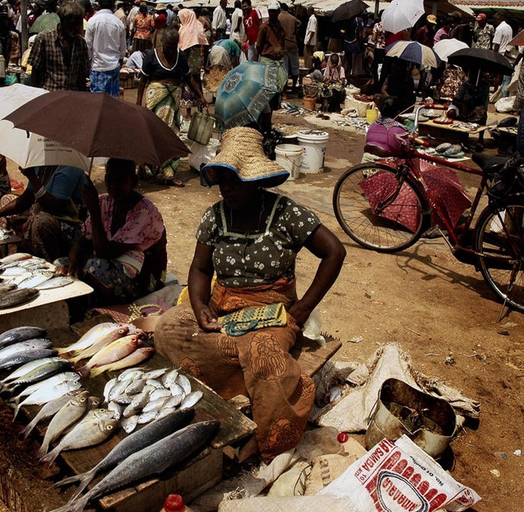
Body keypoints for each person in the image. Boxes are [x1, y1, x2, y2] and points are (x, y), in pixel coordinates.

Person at [154, 127, 345, 463]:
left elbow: (335, 252)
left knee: (264, 355)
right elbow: (200, 270)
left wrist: (301, 311)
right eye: (222, 178)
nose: (226, 187)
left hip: (272, 311)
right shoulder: (214, 217)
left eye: (235, 179)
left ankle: (264, 432)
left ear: (256, 181)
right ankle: (243, 384)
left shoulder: (287, 213)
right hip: (222, 305)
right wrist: (199, 305)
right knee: (167, 328)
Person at [56, 159, 168, 303]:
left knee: (95, 269)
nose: (113, 185)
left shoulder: (144, 211)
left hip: (143, 277)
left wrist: (94, 211)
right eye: (109, 179)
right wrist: (71, 263)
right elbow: (83, 240)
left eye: (120, 180)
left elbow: (106, 252)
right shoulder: (104, 202)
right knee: (60, 264)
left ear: (133, 182)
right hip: (112, 265)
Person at [137, 29, 206, 187]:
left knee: (172, 134)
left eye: (174, 46)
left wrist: (200, 95)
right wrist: (138, 103)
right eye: (168, 46)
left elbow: (188, 77)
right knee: (153, 134)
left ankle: (167, 173)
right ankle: (147, 169)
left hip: (173, 101)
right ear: (163, 43)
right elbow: (142, 81)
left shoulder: (180, 56)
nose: (171, 50)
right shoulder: (152, 56)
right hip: (156, 99)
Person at [0, 165, 87, 261]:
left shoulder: (69, 168)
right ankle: (13, 254)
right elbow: (28, 197)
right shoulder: (42, 164)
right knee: (6, 199)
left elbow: (53, 207)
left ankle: (45, 262)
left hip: (68, 223)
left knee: (40, 222)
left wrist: (32, 177)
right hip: (40, 210)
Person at [29, 1, 89, 91]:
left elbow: (82, 77)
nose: (77, 28)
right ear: (63, 21)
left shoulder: (81, 43)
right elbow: (35, 74)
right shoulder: (43, 39)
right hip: (49, 95)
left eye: (79, 23)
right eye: (73, 24)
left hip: (72, 97)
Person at [255, 1, 287, 130]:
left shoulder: (280, 27)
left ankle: (268, 120)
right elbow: (258, 46)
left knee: (275, 93)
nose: (272, 14)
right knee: (265, 93)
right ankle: (263, 122)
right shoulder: (264, 27)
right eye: (270, 12)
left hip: (277, 62)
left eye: (274, 12)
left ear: (278, 12)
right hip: (266, 61)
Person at [86, 0, 126, 97]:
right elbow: (122, 48)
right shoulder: (118, 23)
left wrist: (89, 60)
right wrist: (120, 60)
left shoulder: (92, 21)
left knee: (96, 102)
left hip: (97, 67)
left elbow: (87, 45)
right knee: (112, 102)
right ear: (113, 6)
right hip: (113, 66)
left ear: (99, 6)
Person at [177, 9, 208, 118]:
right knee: (197, 83)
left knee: (188, 84)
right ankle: (200, 109)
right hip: (198, 60)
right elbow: (205, 44)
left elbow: (184, 48)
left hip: (188, 61)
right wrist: (204, 63)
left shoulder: (185, 29)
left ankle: (188, 112)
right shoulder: (198, 25)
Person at [278, 4, 300, 92]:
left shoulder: (278, 18)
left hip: (283, 46)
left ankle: (284, 88)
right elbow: (297, 29)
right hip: (293, 45)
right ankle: (294, 86)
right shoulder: (293, 18)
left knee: (285, 68)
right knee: (295, 67)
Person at [492, 13, 513, 97]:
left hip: (500, 53)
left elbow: (496, 44)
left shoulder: (499, 29)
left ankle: (495, 93)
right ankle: (501, 95)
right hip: (507, 53)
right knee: (504, 77)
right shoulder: (509, 28)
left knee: (498, 75)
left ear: (497, 20)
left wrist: (493, 56)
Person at [343, 13, 365, 78]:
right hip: (355, 44)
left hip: (346, 44)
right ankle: (355, 78)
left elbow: (342, 32)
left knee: (346, 63)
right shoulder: (358, 20)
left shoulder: (345, 21)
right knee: (356, 63)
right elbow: (360, 33)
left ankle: (345, 76)